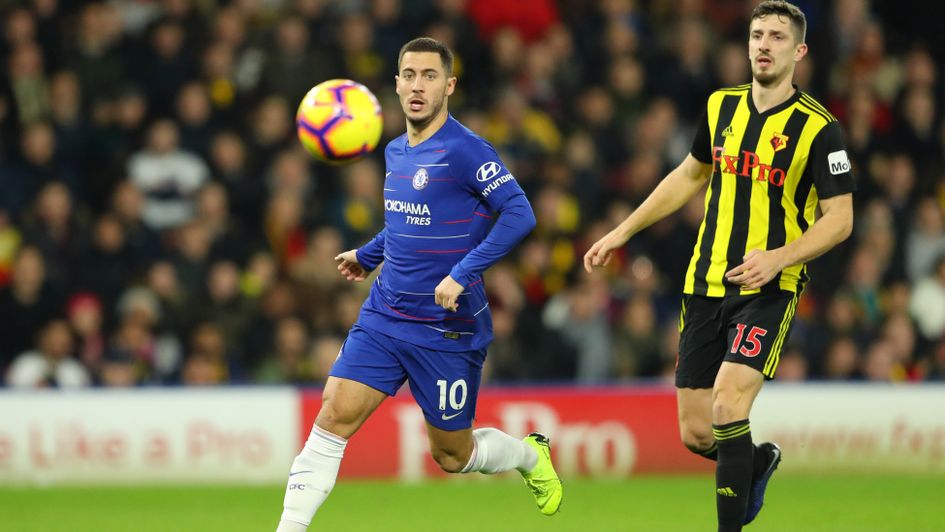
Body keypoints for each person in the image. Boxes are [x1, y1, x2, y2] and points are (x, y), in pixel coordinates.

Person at [584, 2, 854, 531]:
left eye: (777, 37)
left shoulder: (821, 129)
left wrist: (779, 257)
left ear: (798, 51)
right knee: (697, 433)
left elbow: (840, 219)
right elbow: (687, 176)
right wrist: (622, 231)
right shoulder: (718, 107)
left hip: (771, 285)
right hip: (704, 281)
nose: (764, 44)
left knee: (729, 404)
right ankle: (756, 461)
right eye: (757, 34)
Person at [277, 37, 561, 531]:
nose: (417, 85)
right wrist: (368, 257)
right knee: (333, 415)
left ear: (449, 86)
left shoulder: (467, 150)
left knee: (451, 454)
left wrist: (462, 273)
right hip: (386, 315)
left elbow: (520, 213)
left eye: (429, 76)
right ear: (395, 83)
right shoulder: (393, 150)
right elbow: (409, 220)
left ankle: (529, 457)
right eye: (408, 75)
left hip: (447, 327)